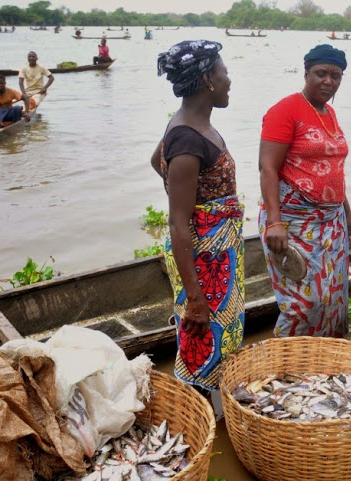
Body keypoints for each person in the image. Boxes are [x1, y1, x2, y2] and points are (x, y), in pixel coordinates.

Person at [150, 40, 244, 393]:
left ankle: (210, 405)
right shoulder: (188, 140)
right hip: (202, 261)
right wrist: (195, 296)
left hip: (215, 253)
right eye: (224, 72)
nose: (228, 80)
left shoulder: (191, 126)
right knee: (201, 338)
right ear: (207, 79)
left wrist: (200, 201)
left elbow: (154, 161)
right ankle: (195, 407)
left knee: (219, 337)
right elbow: (178, 222)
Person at [258, 44, 351, 338]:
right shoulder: (285, 110)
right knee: (304, 302)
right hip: (294, 221)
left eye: (336, 76)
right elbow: (267, 169)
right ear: (306, 72)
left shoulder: (330, 113)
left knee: (333, 296)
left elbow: (333, 170)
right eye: (321, 73)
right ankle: (282, 362)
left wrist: (347, 215)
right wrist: (275, 222)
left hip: (332, 222)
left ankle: (318, 362)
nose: (328, 81)